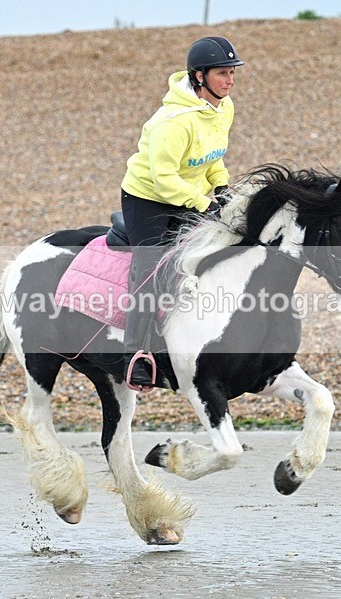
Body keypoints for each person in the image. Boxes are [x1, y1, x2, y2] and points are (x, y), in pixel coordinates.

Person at [119, 36, 244, 391]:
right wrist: (203, 203)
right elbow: (164, 179)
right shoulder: (173, 122)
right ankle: (137, 353)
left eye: (232, 73)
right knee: (151, 265)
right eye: (222, 73)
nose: (230, 80)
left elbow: (213, 155)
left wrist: (221, 186)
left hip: (189, 193)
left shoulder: (224, 107)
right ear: (199, 76)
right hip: (148, 198)